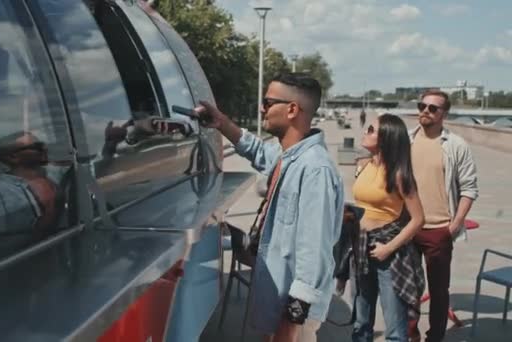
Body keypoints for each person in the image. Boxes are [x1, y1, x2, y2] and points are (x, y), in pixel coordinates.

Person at [196, 73, 344, 342]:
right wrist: (223, 124)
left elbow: (314, 254)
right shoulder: (289, 156)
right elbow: (258, 152)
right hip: (278, 303)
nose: (261, 108)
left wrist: (291, 321)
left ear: (291, 110)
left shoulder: (314, 170)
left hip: (292, 317)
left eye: (267, 102)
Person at [408, 90, 479, 342]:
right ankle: (410, 332)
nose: (425, 111)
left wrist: (454, 225)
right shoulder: (407, 140)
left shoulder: (456, 145)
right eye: (422, 106)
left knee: (438, 291)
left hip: (439, 230)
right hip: (407, 229)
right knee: (408, 287)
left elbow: (470, 188)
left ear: (444, 114)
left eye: (432, 108)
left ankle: (435, 337)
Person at [351, 114, 425, 342]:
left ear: (386, 138)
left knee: (394, 328)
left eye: (372, 129)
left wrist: (388, 248)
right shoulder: (363, 165)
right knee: (361, 321)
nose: (366, 131)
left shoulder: (400, 175)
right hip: (361, 247)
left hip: (388, 253)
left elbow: (418, 219)